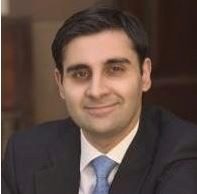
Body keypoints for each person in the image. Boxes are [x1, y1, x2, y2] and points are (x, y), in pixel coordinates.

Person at [2, 6, 197, 194]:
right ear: (60, 84)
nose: (96, 91)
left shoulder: (184, 149)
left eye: (115, 69)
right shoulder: (24, 153)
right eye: (80, 74)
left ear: (144, 75)